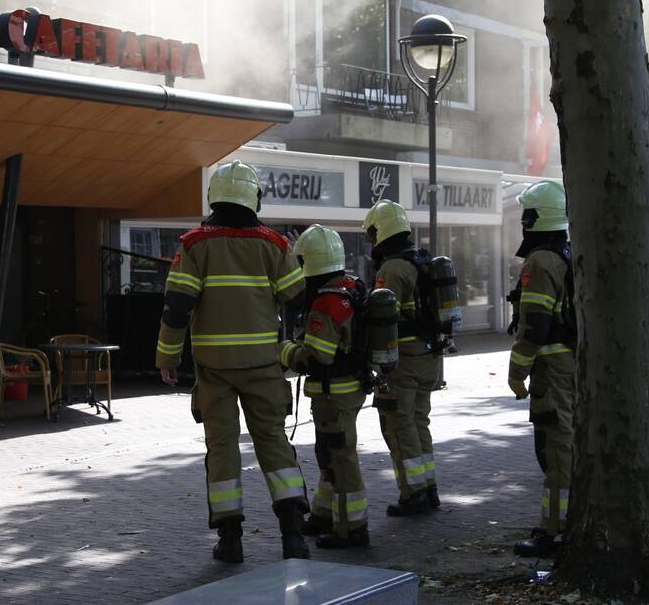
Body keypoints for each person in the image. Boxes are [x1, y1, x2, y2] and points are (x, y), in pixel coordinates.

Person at [155, 160, 310, 564]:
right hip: (263, 366)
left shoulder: (193, 245)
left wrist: (167, 355)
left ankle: (230, 540)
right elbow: (297, 298)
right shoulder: (275, 245)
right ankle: (294, 535)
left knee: (222, 449)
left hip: (214, 370)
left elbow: (177, 308)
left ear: (215, 196)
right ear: (253, 197)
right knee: (274, 444)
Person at [279, 225, 370, 549]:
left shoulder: (325, 304)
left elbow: (316, 359)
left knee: (340, 459)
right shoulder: (351, 286)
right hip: (346, 391)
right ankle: (323, 514)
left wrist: (285, 350)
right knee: (329, 455)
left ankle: (351, 528)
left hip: (335, 394)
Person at [506, 180, 577, 558]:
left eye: (525, 214)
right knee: (564, 443)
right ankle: (562, 524)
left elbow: (534, 324)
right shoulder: (567, 252)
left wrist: (517, 370)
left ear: (537, 217)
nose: (522, 220)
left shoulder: (540, 261)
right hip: (570, 361)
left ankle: (557, 531)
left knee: (557, 447)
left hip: (552, 367)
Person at [362, 199, 442, 516]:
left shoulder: (392, 269)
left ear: (381, 232)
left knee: (399, 427)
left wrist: (377, 363)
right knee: (420, 423)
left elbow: (384, 319)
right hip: (428, 357)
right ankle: (429, 488)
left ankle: (414, 494)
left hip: (403, 362)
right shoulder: (422, 261)